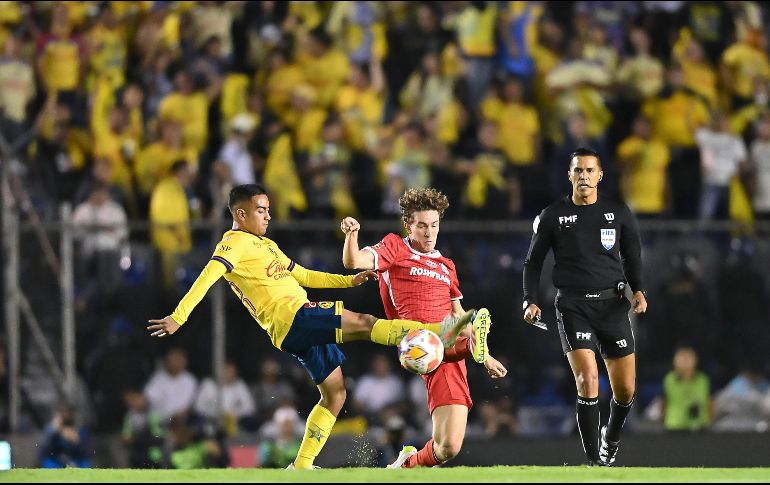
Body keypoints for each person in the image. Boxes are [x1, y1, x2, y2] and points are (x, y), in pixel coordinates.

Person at [147, 183, 480, 469]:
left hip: (293, 330)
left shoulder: (266, 246)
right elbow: (208, 276)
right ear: (241, 214)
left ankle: (301, 466)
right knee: (365, 323)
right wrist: (179, 316)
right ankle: (439, 331)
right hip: (294, 316)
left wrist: (349, 283)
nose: (268, 216)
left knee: (335, 394)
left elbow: (304, 275)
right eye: (261, 210)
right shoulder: (233, 244)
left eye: (268, 210)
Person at [340, 187, 507, 469]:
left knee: (448, 447)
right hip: (417, 340)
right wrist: (351, 234)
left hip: (446, 348)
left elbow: (458, 314)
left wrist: (486, 356)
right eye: (421, 226)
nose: (429, 233)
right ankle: (471, 344)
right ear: (408, 225)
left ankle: (406, 465)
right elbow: (353, 262)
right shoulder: (395, 247)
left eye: (434, 225)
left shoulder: (446, 265)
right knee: (459, 326)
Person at [522, 148, 648, 466]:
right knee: (588, 378)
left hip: (613, 305)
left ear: (600, 175)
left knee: (625, 390)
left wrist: (640, 291)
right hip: (573, 305)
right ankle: (594, 463)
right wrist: (530, 299)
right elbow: (533, 263)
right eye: (578, 170)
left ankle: (611, 437)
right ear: (570, 175)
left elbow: (632, 256)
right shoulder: (553, 215)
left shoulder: (618, 212)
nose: (584, 176)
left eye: (589, 170)